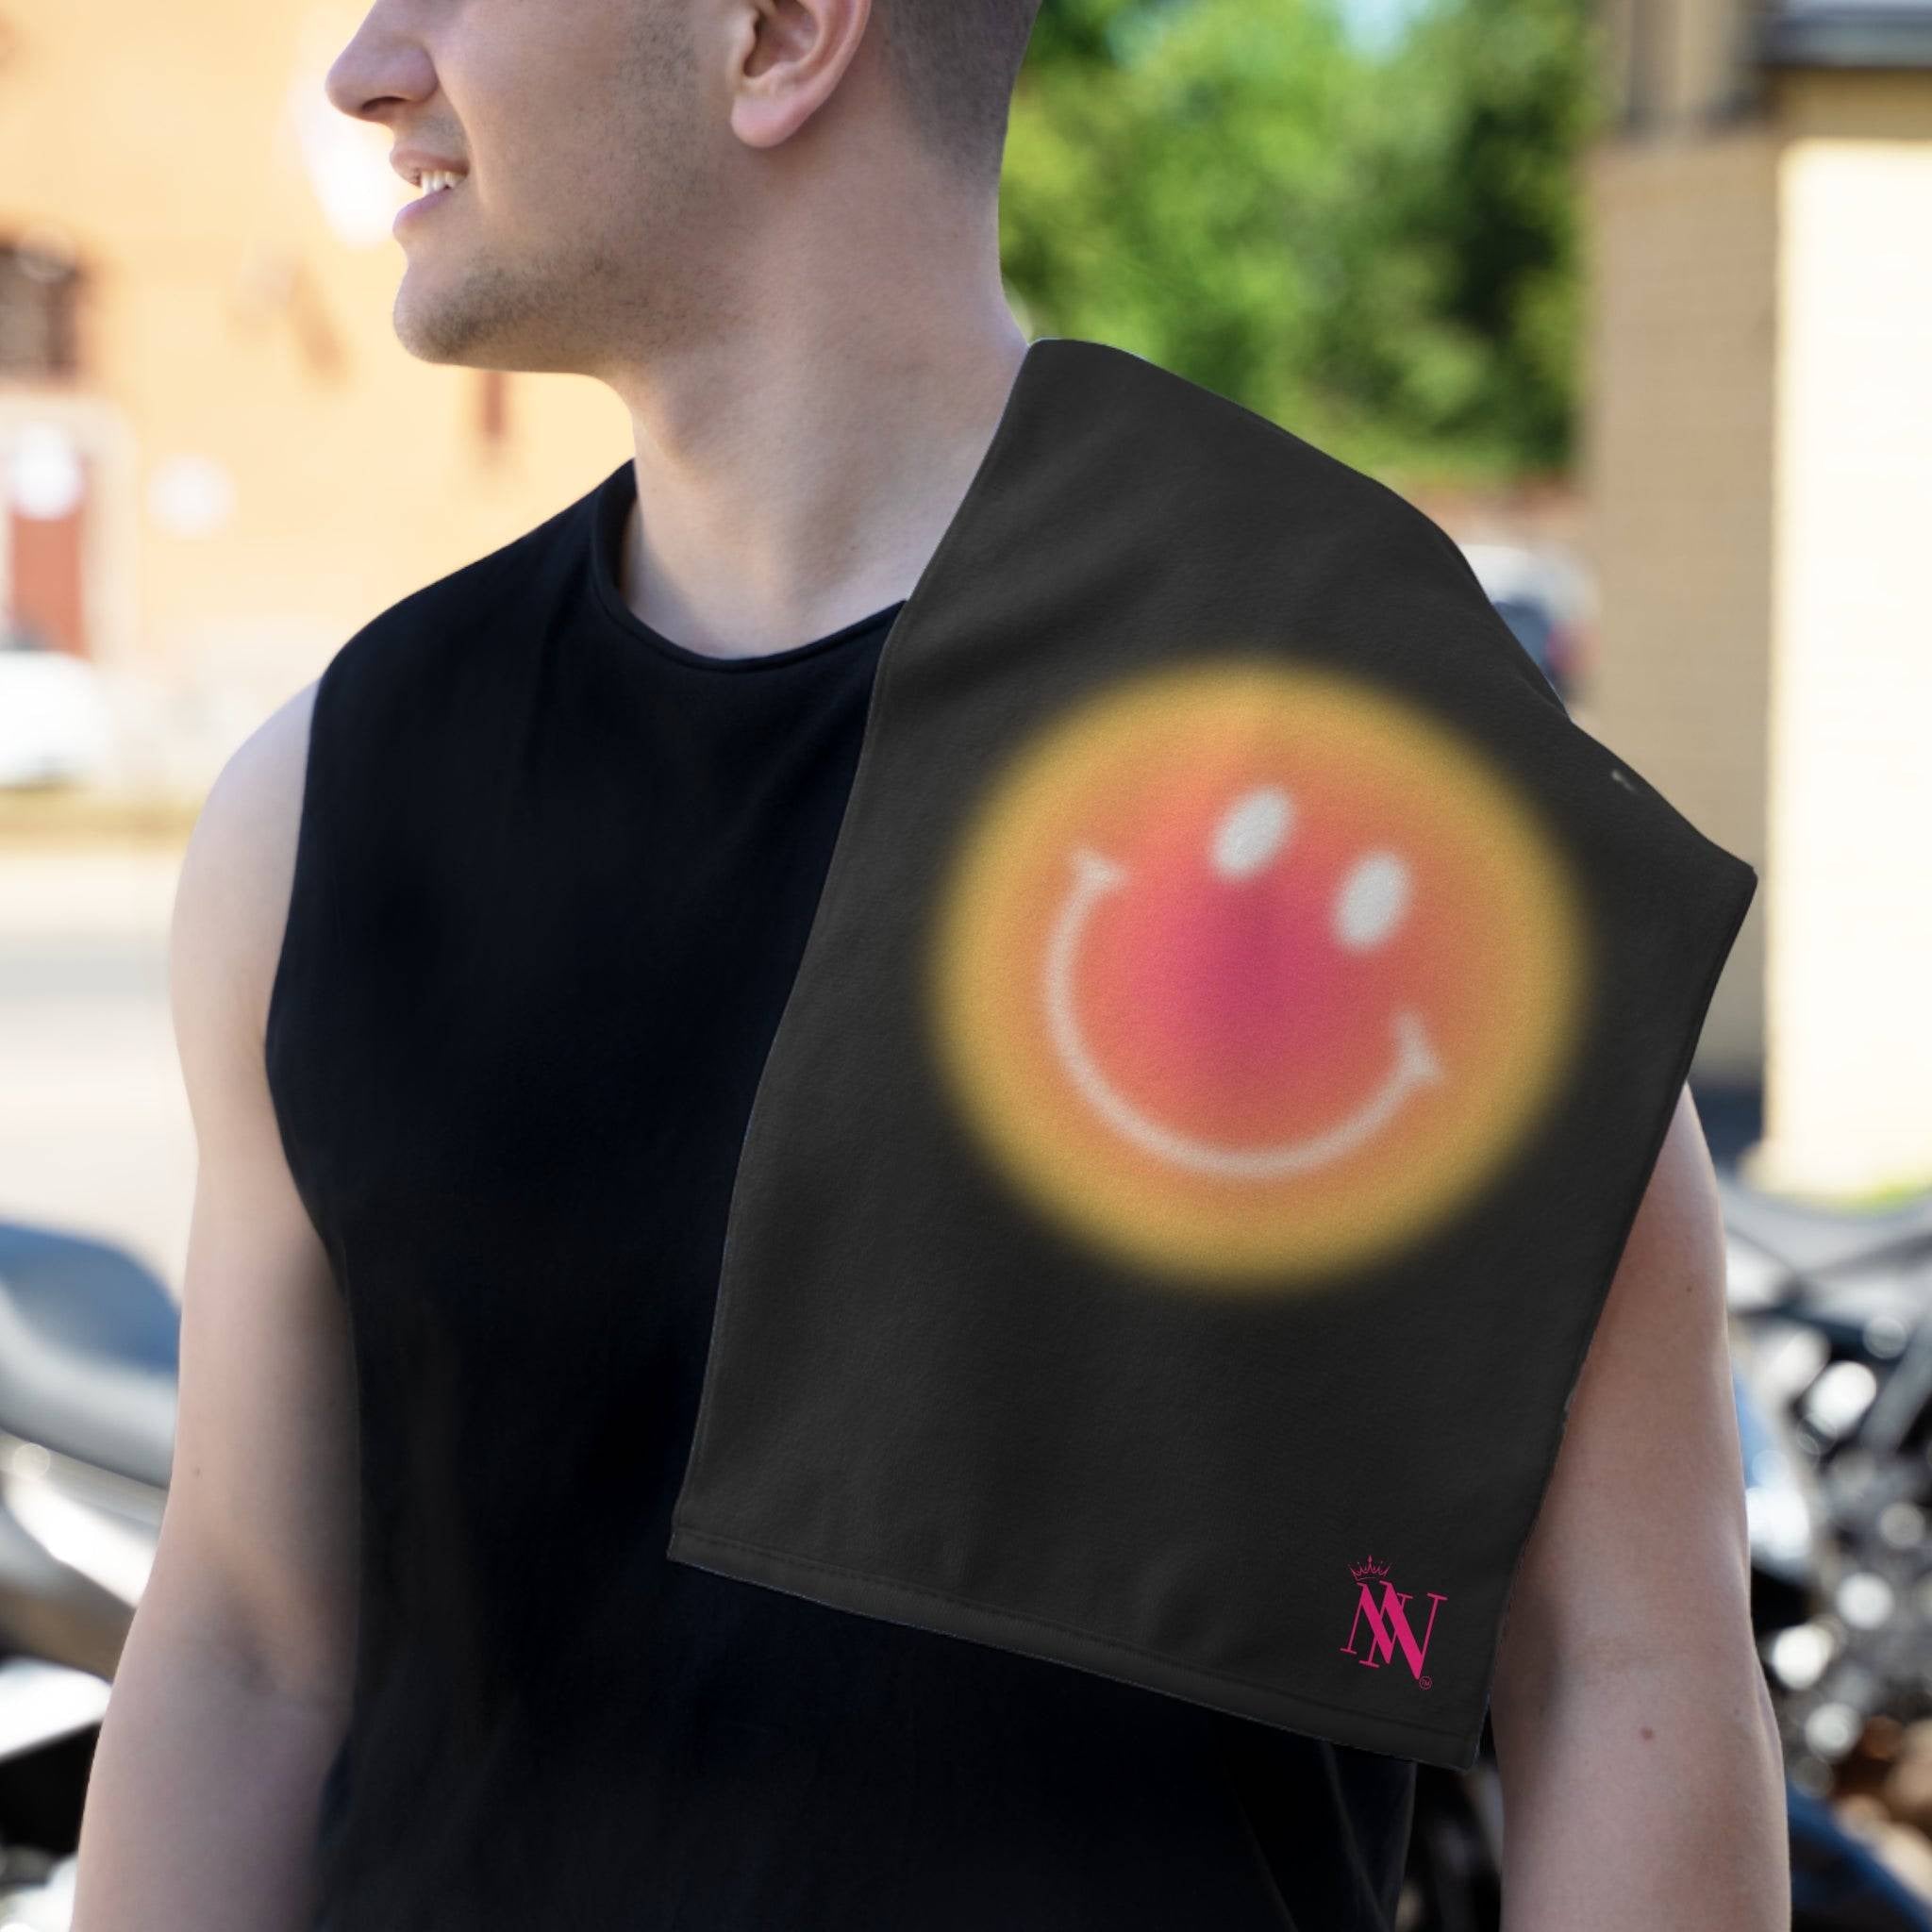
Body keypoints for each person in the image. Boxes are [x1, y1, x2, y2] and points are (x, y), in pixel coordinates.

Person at [70, 0, 1789, 1925]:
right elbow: (245, 1648)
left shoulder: (1360, 740)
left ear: (779, 35)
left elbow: (1618, 1665)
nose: (370, 65)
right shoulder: (330, 799)